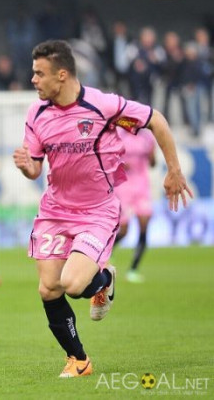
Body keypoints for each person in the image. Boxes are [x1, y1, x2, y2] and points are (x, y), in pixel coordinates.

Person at [13, 40, 192, 378]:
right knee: (48, 288)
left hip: (97, 211)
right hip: (54, 211)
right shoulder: (36, 113)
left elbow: (156, 120)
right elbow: (36, 168)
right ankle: (78, 360)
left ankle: (104, 279)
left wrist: (173, 169)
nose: (33, 79)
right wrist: (25, 166)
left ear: (61, 75)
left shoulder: (103, 107)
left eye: (39, 73)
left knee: (73, 285)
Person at [114, 128, 156, 283]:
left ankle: (133, 269)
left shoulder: (147, 137)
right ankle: (107, 251)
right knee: (124, 230)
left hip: (142, 187)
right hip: (123, 187)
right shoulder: (118, 135)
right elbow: (110, 160)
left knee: (144, 224)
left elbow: (152, 163)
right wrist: (121, 164)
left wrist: (152, 154)